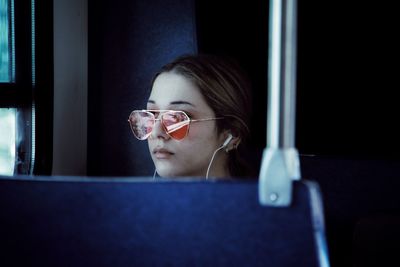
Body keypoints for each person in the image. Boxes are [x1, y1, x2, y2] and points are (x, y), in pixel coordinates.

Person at [128, 54, 254, 178]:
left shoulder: (258, 199)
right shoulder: (134, 198)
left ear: (232, 134)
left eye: (177, 117)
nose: (156, 132)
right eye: (152, 114)